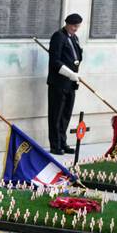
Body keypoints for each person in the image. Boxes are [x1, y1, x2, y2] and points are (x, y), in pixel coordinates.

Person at [47, 12, 83, 153]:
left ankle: (63, 142)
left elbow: (76, 58)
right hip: (58, 83)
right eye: (74, 26)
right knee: (56, 115)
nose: (76, 29)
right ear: (67, 24)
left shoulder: (74, 38)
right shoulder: (58, 36)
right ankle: (55, 146)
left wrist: (75, 75)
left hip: (70, 83)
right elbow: (55, 61)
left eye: (77, 26)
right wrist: (70, 74)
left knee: (66, 115)